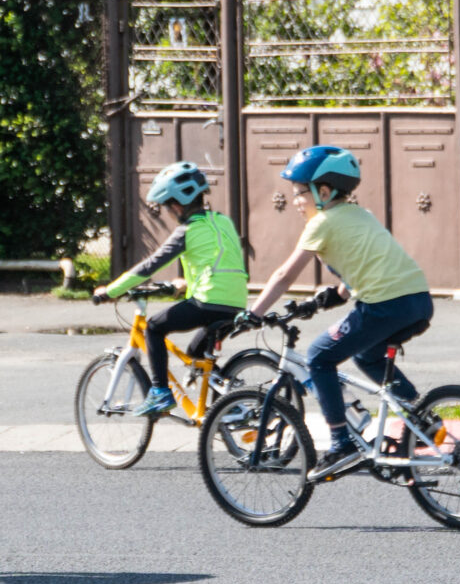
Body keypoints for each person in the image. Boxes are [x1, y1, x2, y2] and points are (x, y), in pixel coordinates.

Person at [245, 145, 433, 476]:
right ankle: (423, 418)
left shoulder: (322, 223)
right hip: (417, 300)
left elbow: (284, 275)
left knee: (319, 356)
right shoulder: (362, 215)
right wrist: (328, 298)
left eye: (300, 192)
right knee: (367, 356)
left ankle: (340, 444)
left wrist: (254, 313)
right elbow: (367, 264)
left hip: (383, 305)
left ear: (325, 191)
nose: (295, 200)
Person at [92, 161, 249, 416]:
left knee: (154, 327)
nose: (168, 212)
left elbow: (149, 266)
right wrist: (187, 283)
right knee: (196, 354)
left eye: (167, 207)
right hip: (236, 303)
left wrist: (110, 291)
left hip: (207, 302)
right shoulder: (223, 222)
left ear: (176, 205)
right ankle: (230, 406)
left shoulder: (187, 231)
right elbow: (218, 259)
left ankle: (160, 393)